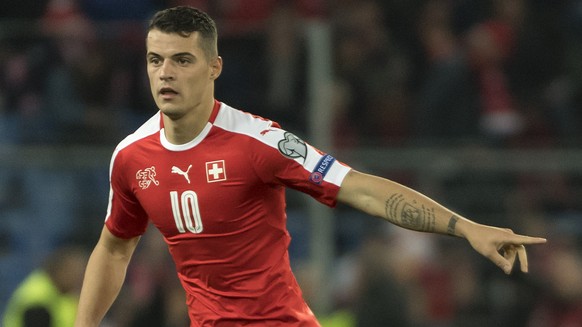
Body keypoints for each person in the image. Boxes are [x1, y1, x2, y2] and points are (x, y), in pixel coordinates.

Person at [74, 6, 547, 327]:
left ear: (214, 67)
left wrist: (464, 228)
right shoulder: (131, 156)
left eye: (182, 59)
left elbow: (359, 188)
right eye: (155, 60)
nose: (165, 73)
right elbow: (115, 248)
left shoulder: (259, 141)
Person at [3, 245, 87, 327]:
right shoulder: (37, 296)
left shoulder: (64, 293)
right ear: (60, 270)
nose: (78, 279)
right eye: (74, 273)